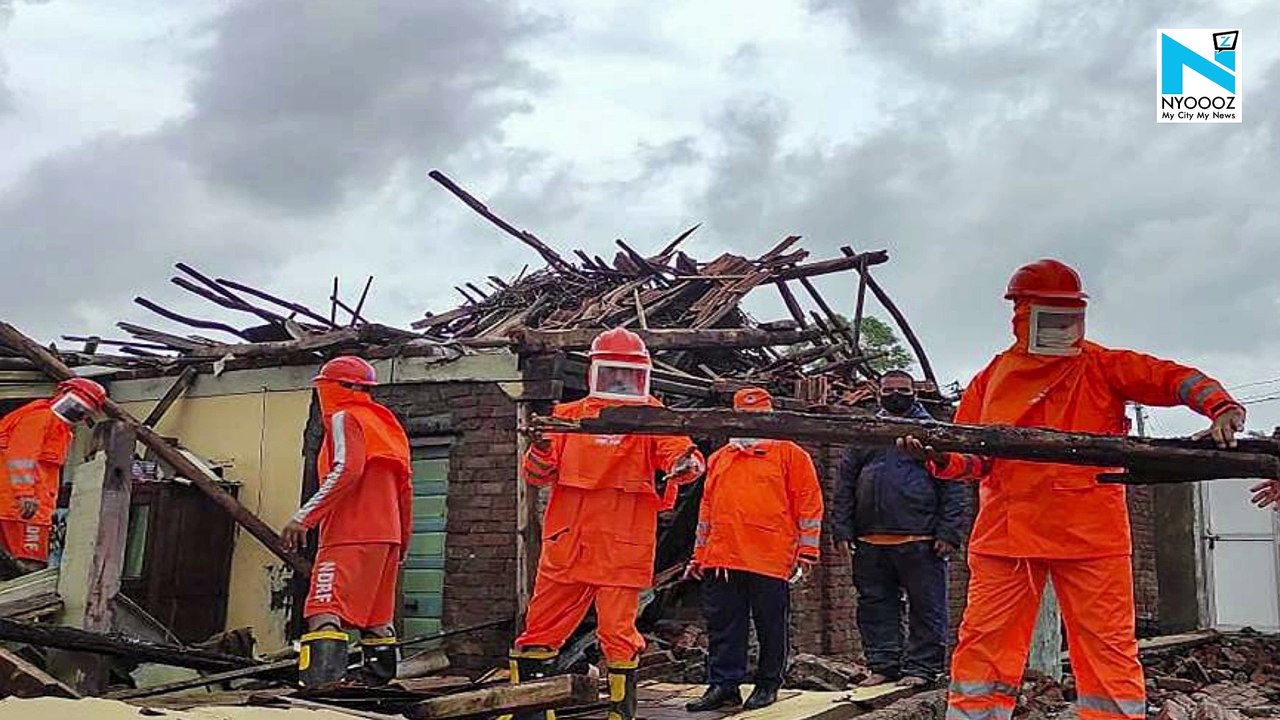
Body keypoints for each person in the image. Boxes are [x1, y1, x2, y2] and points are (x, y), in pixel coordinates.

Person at [899, 259, 1246, 720]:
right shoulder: (992, 378)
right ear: (1021, 315)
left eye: (1071, 315)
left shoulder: (1102, 366)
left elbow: (1171, 377)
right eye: (1051, 314)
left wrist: (1220, 406)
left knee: (1108, 652)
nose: (1064, 327)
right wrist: (941, 459)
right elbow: (974, 457)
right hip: (1009, 535)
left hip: (1089, 537)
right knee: (983, 651)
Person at [513, 328, 705, 720]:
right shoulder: (566, 418)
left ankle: (620, 712)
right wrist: (542, 447)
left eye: (627, 373)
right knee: (540, 628)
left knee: (618, 634)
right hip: (571, 541)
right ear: (595, 372)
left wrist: (686, 465)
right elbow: (535, 475)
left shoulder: (654, 417)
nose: (620, 382)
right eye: (613, 373)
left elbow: (681, 456)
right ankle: (529, 709)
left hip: (622, 545)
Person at [684, 387, 824, 712]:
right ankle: (723, 686)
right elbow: (706, 513)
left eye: (756, 416)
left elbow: (809, 505)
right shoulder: (719, 459)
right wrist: (699, 556)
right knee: (723, 626)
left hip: (770, 558)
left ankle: (768, 683)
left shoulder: (791, 455)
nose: (749, 424)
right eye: (743, 417)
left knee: (770, 625)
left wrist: (806, 552)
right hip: (722, 558)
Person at [281, 356, 412, 689]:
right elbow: (405, 488)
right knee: (377, 617)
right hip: (388, 535)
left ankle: (322, 688)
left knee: (323, 607)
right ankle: (377, 684)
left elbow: (346, 470)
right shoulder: (388, 425)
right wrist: (402, 546)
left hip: (349, 531)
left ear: (341, 387)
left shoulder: (344, 416)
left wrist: (304, 517)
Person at [832, 370, 966, 688]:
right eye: (889, 389)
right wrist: (842, 529)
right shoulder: (866, 433)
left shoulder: (932, 432)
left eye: (902, 390)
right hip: (870, 539)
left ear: (913, 393)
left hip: (919, 537)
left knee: (926, 607)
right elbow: (845, 482)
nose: (895, 395)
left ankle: (922, 668)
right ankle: (883, 665)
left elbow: (952, 484)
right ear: (878, 393)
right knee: (875, 604)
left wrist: (948, 532)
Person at [0, 378, 107, 576]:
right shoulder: (40, 418)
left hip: (28, 510)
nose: (78, 411)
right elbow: (21, 456)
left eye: (84, 408)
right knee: (27, 571)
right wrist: (25, 495)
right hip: (23, 511)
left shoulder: (61, 428)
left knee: (24, 569)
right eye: (78, 404)